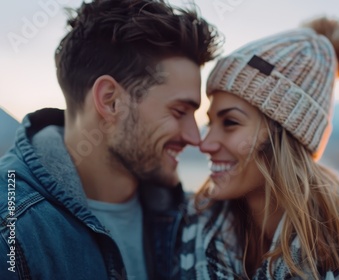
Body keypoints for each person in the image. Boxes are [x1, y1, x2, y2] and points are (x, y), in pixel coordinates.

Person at [0, 0, 221, 279]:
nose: (195, 138)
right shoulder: (12, 229)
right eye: (179, 111)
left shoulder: (190, 216)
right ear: (111, 101)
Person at [180, 17, 339, 279]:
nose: (205, 143)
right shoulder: (186, 223)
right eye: (210, 122)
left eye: (230, 123)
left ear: (284, 135)